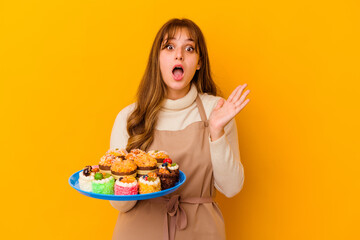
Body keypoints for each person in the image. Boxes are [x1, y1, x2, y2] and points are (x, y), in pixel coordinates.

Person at [109, 18, 250, 240]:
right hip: (139, 232)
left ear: (199, 62)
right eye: (169, 46)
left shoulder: (217, 111)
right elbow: (121, 206)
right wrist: (130, 172)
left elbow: (231, 188)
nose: (179, 55)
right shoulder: (130, 117)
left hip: (201, 232)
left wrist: (216, 131)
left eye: (189, 48)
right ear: (157, 58)